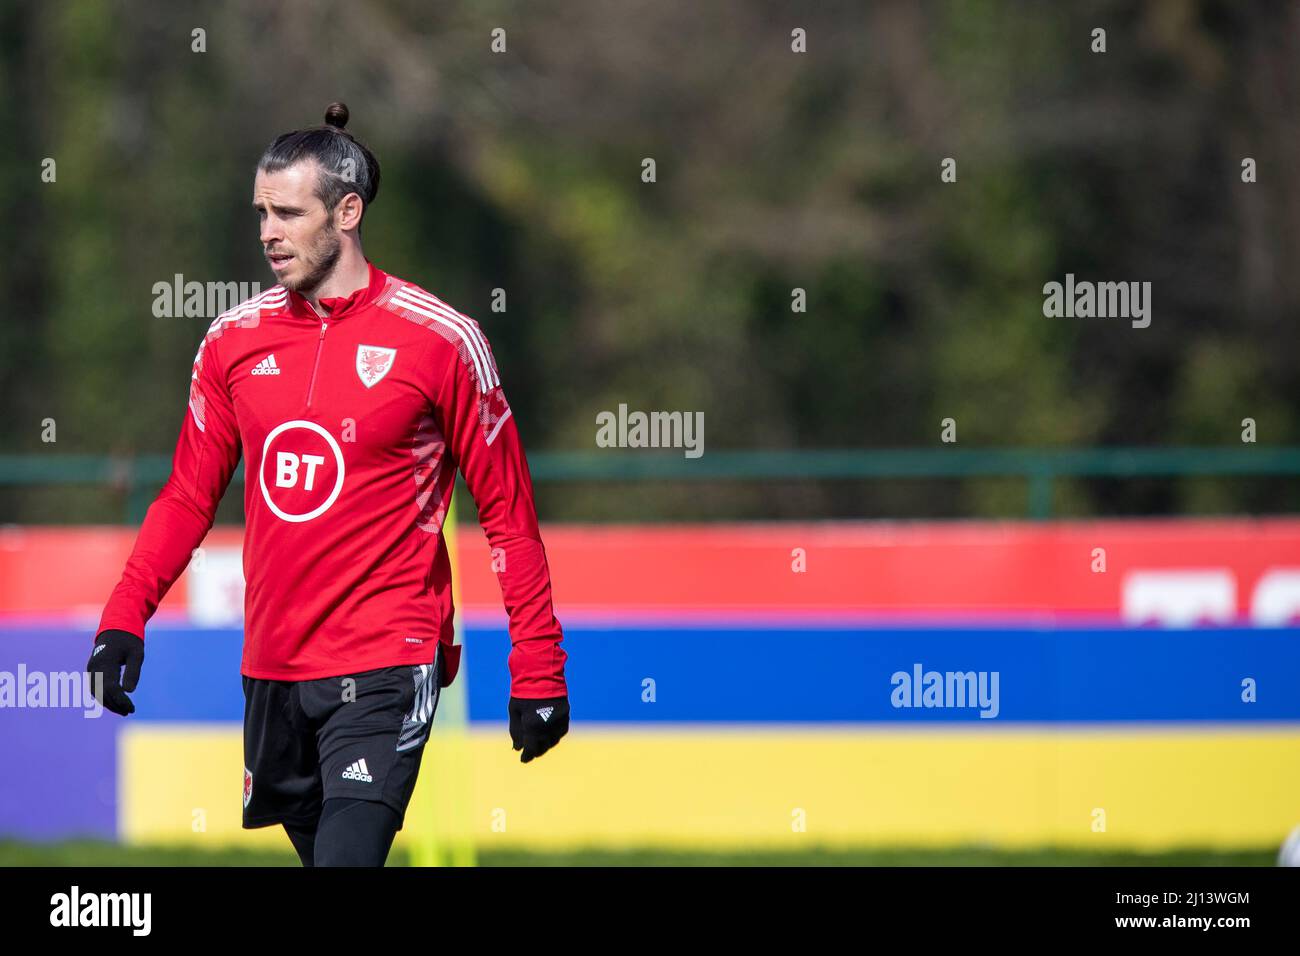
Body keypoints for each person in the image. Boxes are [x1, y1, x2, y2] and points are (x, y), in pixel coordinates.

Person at [86, 102, 569, 866]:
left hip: (387, 654)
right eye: (260, 213)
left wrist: (537, 668)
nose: (267, 232)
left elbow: (510, 515)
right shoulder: (230, 343)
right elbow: (186, 497)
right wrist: (123, 618)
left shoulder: (441, 340)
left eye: (287, 213)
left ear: (347, 212)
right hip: (274, 667)